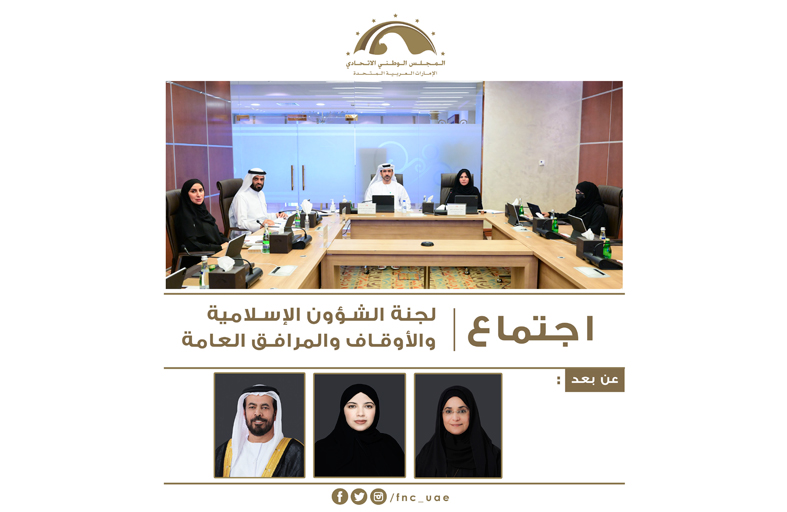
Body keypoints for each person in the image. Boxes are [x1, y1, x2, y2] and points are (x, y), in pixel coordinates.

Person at [315, 383, 404, 477]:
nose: (360, 413)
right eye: (352, 406)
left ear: (376, 410)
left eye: (368, 406)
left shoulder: (389, 445)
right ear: (343, 410)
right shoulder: (321, 450)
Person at [214, 384, 304, 477]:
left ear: (275, 413)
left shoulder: (296, 453)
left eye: (265, 407)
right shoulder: (223, 453)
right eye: (252, 407)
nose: (258, 413)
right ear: (244, 413)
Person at [415, 385, 500, 478]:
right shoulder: (427, 454)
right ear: (441, 415)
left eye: (462, 411)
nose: (455, 418)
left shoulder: (494, 456)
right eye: (448, 411)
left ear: (472, 413)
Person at [364, 163, 411, 270]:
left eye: (389, 171)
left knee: (397, 236)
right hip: (378, 219)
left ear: (392, 173)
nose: (387, 173)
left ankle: (396, 259)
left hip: (396, 219)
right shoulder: (373, 187)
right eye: (384, 171)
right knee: (379, 235)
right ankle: (381, 259)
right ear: (380, 173)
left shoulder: (399, 187)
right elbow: (367, 204)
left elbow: (407, 204)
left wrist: (400, 212)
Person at [174, 178, 228, 268]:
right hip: (197, 261)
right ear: (186, 194)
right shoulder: (184, 217)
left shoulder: (203, 212)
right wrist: (219, 248)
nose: (198, 195)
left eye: (201, 190)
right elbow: (192, 246)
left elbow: (216, 232)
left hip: (213, 254)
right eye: (193, 191)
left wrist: (228, 242)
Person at [229, 168, 288, 235]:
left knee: (284, 234)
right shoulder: (241, 197)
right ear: (250, 180)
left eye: (261, 179)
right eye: (256, 179)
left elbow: (262, 216)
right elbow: (241, 223)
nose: (259, 182)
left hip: (262, 230)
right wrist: (260, 226)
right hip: (247, 234)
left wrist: (276, 215)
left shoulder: (261, 194)